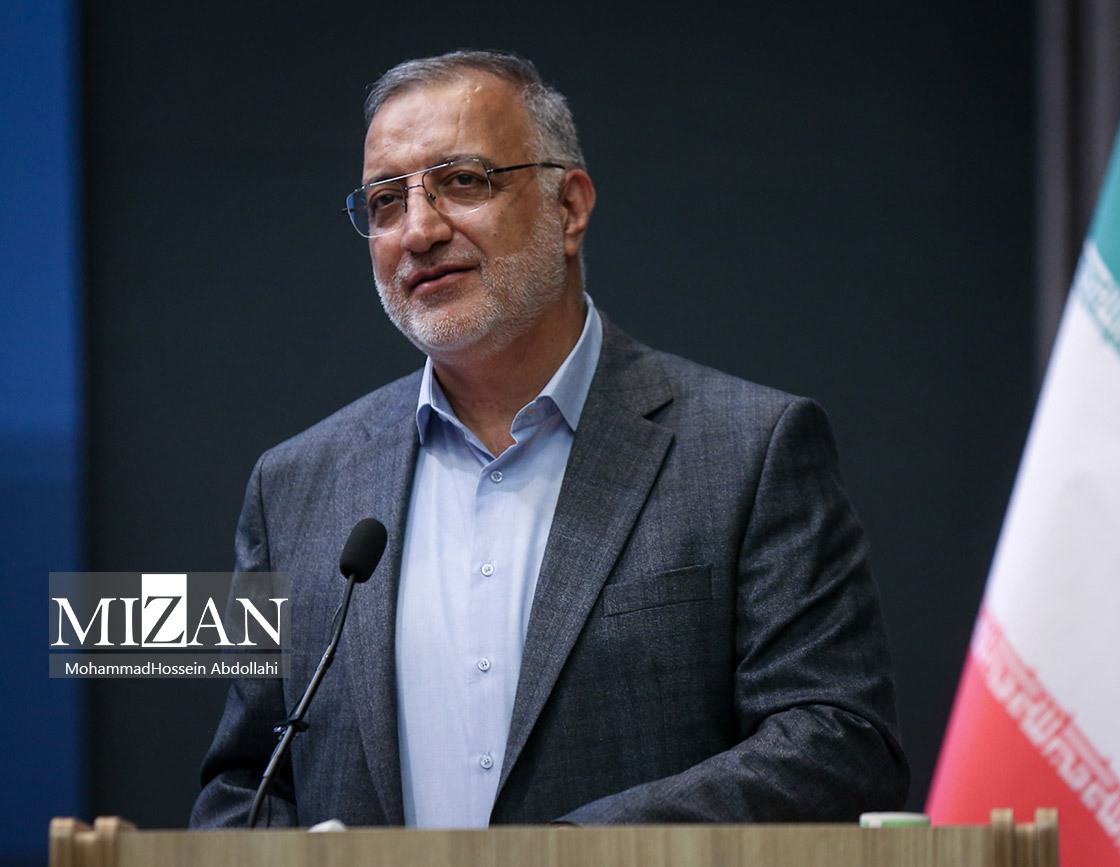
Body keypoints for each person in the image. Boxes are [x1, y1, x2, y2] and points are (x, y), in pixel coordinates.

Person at [190, 49, 908, 828]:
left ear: (568, 207)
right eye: (387, 200)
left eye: (462, 181)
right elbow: (244, 787)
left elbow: (838, 743)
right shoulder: (294, 488)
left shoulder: (748, 450)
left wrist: (568, 852)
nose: (419, 230)